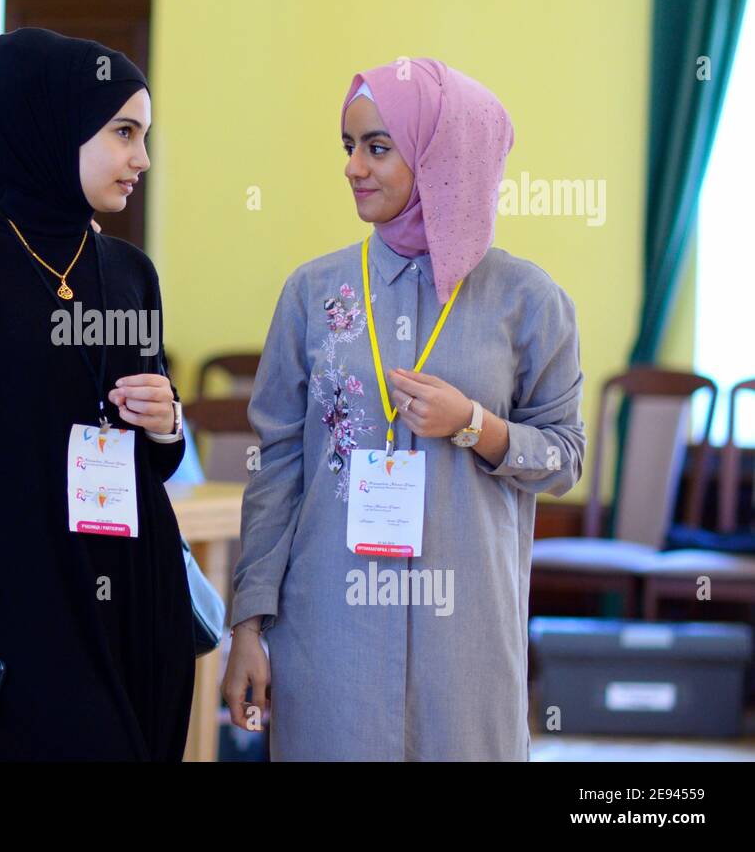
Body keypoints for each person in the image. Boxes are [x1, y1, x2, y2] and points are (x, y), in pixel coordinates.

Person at [222, 58, 586, 761]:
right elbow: (277, 468)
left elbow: (564, 457)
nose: (355, 167)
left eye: (378, 146)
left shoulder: (527, 300)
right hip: (329, 629)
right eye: (348, 147)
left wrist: (476, 425)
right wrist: (248, 624)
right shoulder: (312, 293)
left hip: (467, 637)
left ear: (443, 153)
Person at [0, 28, 194, 761]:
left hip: (136, 604)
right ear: (55, 130)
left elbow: (151, 454)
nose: (141, 159)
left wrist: (165, 425)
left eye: (144, 135)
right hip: (15, 610)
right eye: (123, 132)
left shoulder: (129, 272)